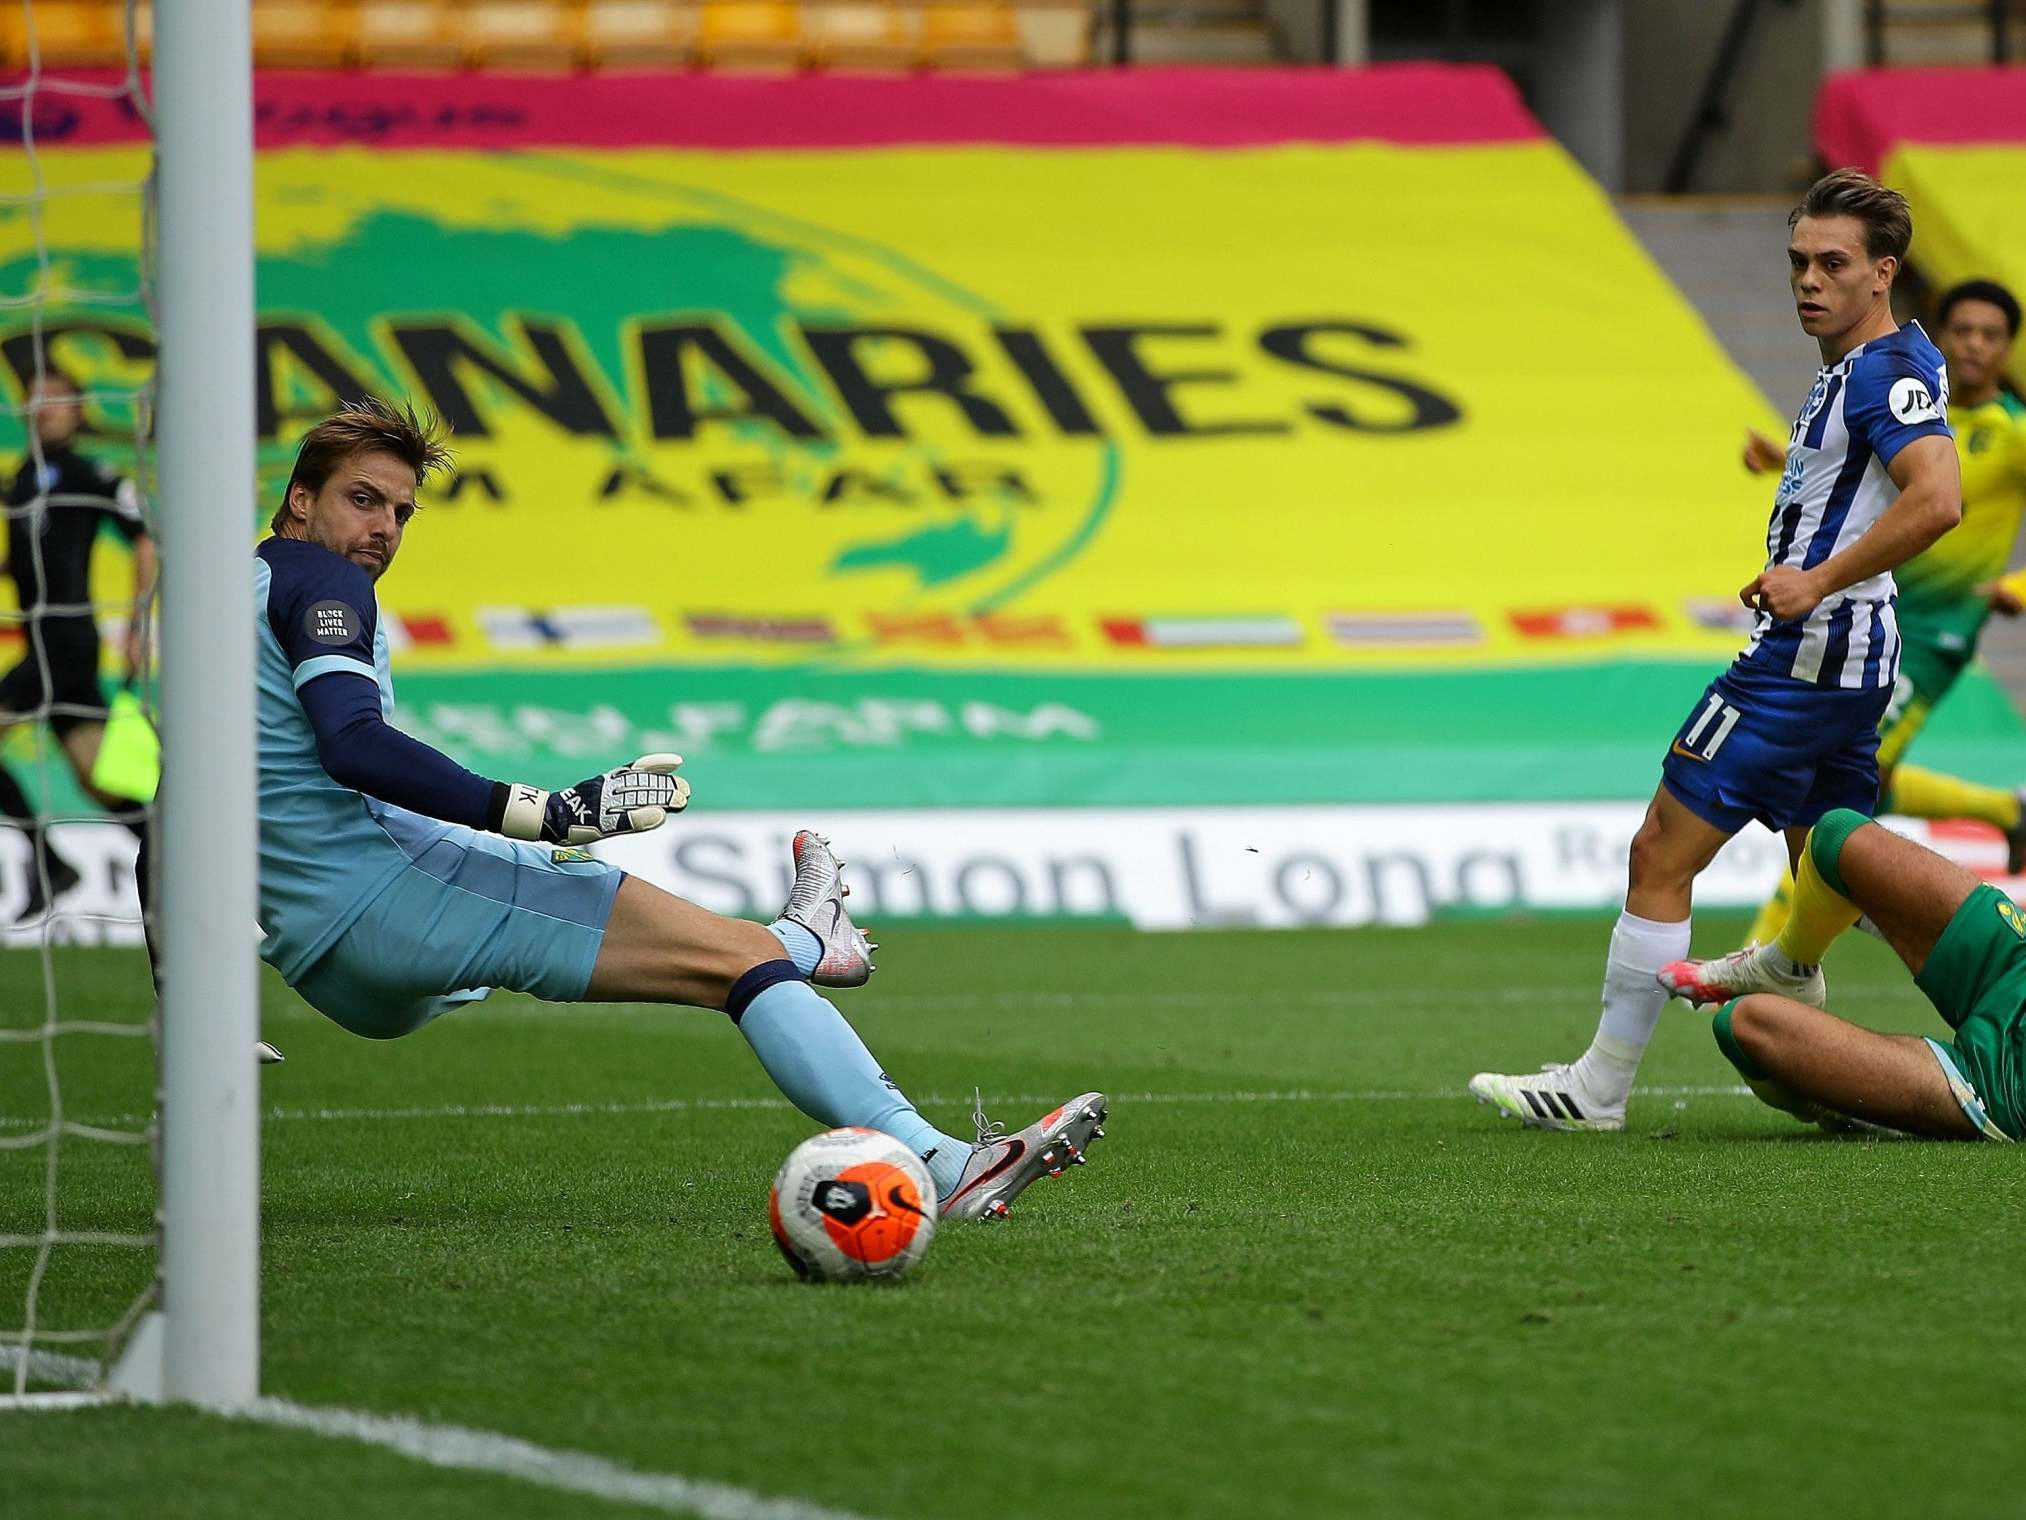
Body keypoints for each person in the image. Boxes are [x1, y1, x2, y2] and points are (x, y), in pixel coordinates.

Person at [256, 398, 1105, 1219]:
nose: (385, 530)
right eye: (362, 500)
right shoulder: (324, 584)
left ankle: (810, 940)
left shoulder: (216, 597)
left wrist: (188, 1001)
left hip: (324, 967)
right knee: (737, 966)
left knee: (665, 938)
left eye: (401, 512)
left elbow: (171, 818)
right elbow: (354, 745)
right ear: (301, 498)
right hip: (388, 903)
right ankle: (938, 1156)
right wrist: (543, 810)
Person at [1468, 168, 1963, 1131]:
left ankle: (1599, 1087)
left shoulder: (1883, 372)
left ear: (1883, 273)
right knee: (1825, 867)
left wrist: (1814, 579)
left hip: (1807, 654)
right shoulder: (1878, 363)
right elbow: (1869, 478)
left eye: (1833, 263)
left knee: (1662, 847)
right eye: (1796, 262)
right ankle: (1836, 1084)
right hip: (1849, 656)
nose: (1807, 281)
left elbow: (1937, 498)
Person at [1739, 277, 2026, 947]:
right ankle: (2004, 812)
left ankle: (1766, 954)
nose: (1976, 345)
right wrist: (1785, 459)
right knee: (1866, 777)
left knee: (1834, 796)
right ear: (1942, 335)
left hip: (1933, 635)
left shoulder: (2011, 433)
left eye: (1992, 335)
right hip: (1873, 615)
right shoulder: (1915, 412)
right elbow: (1873, 478)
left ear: (2009, 347)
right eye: (1964, 332)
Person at [1660, 808, 2021, 1141]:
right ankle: (1787, 967)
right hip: (2016, 967)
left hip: (2007, 1082)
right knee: (1838, 836)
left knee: (1741, 1024)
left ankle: (1842, 1108)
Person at [0, 368, 155, 925]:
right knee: (101, 780)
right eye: (35, 396)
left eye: (57, 399)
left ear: (77, 410)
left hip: (65, 641)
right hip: (47, 641)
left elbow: (146, 536)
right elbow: (29, 560)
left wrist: (139, 625)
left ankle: (49, 865)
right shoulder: (25, 476)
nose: (43, 407)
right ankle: (174, 848)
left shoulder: (89, 472)